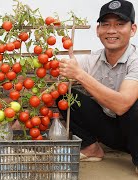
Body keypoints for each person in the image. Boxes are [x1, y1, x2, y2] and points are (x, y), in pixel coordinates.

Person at [58, 0, 138, 174]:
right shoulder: (93, 59)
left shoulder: (136, 60)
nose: (111, 30)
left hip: (135, 131)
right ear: (98, 30)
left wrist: (79, 74)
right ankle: (91, 148)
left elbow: (122, 105)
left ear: (133, 29)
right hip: (113, 133)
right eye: (105, 24)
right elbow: (64, 76)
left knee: (134, 105)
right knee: (64, 96)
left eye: (119, 24)